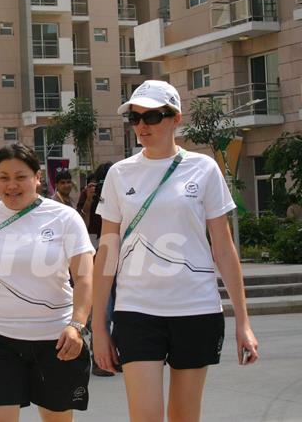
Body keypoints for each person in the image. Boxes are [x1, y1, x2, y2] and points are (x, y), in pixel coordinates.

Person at [92, 80, 259, 422]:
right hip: (136, 309)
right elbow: (106, 252)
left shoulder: (204, 168)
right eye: (135, 118)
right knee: (146, 416)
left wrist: (244, 322)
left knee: (184, 416)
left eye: (152, 116)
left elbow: (224, 249)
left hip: (195, 308)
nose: (142, 126)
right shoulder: (119, 175)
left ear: (175, 118)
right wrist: (97, 326)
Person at [0, 143, 95, 421]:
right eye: (4, 177)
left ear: (37, 177)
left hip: (56, 340)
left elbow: (84, 276)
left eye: (20, 177)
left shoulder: (65, 218)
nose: (12, 185)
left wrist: (77, 325)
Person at [76, 162, 116, 378]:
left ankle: (116, 354)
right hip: (97, 254)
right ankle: (99, 358)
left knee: (123, 308)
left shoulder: (123, 190)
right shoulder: (88, 196)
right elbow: (83, 225)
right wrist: (91, 199)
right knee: (104, 309)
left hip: (123, 255)